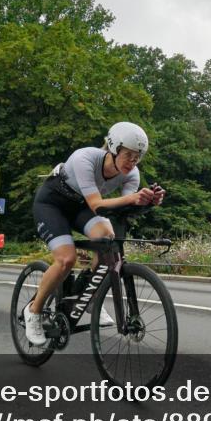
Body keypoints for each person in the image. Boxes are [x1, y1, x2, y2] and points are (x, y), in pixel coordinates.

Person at [24, 122, 165, 346]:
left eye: (137, 157)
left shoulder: (132, 175)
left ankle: (86, 294)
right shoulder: (85, 158)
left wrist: (148, 203)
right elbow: (98, 205)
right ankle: (34, 310)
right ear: (113, 148)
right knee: (66, 259)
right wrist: (132, 198)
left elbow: (124, 211)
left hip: (81, 208)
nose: (133, 162)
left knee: (108, 237)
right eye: (128, 155)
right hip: (52, 204)